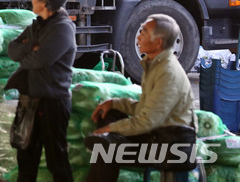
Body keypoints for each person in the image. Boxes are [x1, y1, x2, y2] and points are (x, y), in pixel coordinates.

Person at [84, 14, 197, 181]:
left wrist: (110, 129)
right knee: (109, 116)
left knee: (105, 148)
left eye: (143, 32)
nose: (138, 36)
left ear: (158, 42)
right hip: (157, 135)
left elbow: (147, 121)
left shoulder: (167, 73)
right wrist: (115, 104)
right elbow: (145, 108)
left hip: (172, 146)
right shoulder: (155, 64)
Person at [5, 0, 76, 182]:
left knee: (57, 161)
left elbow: (40, 60)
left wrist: (29, 51)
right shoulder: (37, 26)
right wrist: (30, 47)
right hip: (30, 100)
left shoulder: (62, 28)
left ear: (44, 3)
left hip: (52, 101)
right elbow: (13, 50)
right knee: (26, 159)